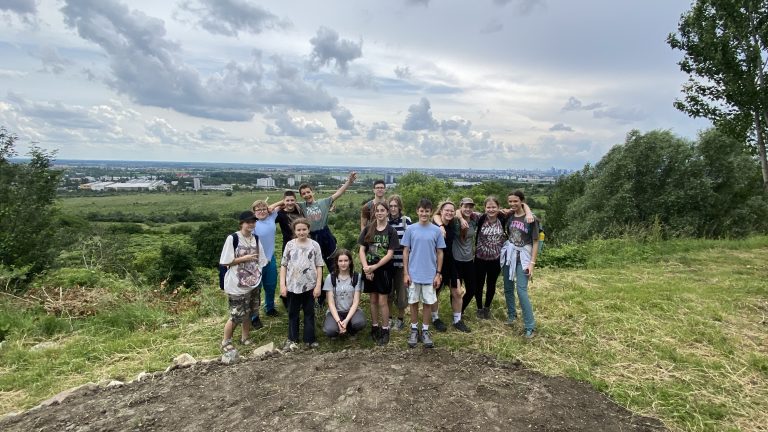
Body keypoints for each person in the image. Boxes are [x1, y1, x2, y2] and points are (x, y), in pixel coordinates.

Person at [219, 211, 268, 353]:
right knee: (236, 315)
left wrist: (258, 271)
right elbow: (225, 261)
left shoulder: (256, 238)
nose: (251, 224)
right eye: (248, 222)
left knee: (249, 312)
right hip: (236, 284)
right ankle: (226, 341)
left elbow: (262, 259)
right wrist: (244, 259)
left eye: (253, 222)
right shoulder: (233, 238)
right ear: (241, 223)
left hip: (253, 283)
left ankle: (245, 337)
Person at [402, 198, 445, 348]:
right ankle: (414, 329)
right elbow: (406, 251)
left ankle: (425, 330)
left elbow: (440, 252)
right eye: (421, 211)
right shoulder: (410, 229)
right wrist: (406, 273)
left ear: (431, 212)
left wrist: (438, 273)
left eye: (427, 211)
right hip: (413, 273)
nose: (424, 214)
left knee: (428, 303)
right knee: (413, 302)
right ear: (417, 211)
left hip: (430, 274)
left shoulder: (436, 230)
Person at [297, 171, 357, 275]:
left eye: (308, 192)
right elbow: (287, 202)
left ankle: (337, 282)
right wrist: (271, 208)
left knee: (333, 264)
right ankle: (318, 285)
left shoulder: (323, 202)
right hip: (312, 236)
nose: (306, 195)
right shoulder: (301, 206)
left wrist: (349, 181)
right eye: (303, 193)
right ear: (301, 196)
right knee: (313, 266)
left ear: (312, 192)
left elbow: (338, 193)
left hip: (325, 235)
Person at [280, 218, 325, 350]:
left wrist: (318, 286)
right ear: (294, 231)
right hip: (292, 286)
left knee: (309, 313)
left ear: (308, 230)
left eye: (304, 229)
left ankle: (310, 340)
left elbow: (319, 265)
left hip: (310, 285)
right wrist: (283, 285)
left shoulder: (314, 245)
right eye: (298, 230)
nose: (301, 232)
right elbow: (283, 265)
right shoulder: (289, 245)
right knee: (292, 313)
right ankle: (292, 339)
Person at [358, 201, 400, 345]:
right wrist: (366, 267)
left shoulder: (391, 231)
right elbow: (362, 250)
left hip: (384, 270)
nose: (380, 213)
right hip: (369, 269)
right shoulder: (368, 228)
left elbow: (390, 254)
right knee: (373, 300)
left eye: (382, 210)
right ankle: (375, 327)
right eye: (377, 210)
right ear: (374, 213)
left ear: (387, 212)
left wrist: (374, 267)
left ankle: (385, 329)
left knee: (383, 301)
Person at [501, 191, 539, 338]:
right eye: (510, 201)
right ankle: (512, 315)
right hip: (510, 254)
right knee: (508, 287)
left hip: (524, 256)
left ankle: (530, 325)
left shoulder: (531, 219)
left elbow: (536, 241)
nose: (512, 204)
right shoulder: (509, 216)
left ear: (522, 201)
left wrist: (532, 264)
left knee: (521, 290)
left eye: (515, 201)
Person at [431, 200, 471, 333]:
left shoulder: (453, 223)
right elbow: (435, 216)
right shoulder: (434, 226)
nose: (449, 212)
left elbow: (459, 212)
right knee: (434, 292)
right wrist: (441, 225)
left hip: (450, 262)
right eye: (446, 210)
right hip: (436, 263)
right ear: (441, 211)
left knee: (457, 292)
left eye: (451, 211)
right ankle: (435, 319)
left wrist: (460, 218)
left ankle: (457, 320)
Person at [252, 198, 284, 319]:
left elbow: (284, 202)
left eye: (263, 209)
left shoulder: (271, 217)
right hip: (255, 261)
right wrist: (267, 208)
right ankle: (254, 316)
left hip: (270, 258)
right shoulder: (252, 223)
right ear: (254, 212)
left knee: (270, 285)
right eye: (258, 210)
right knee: (256, 289)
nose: (261, 211)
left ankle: (269, 308)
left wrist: (271, 207)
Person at [322, 249, 366, 338]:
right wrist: (338, 321)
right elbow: (330, 303)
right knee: (330, 331)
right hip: (336, 312)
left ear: (350, 261)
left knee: (359, 323)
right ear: (336, 262)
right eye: (340, 261)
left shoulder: (356, 277)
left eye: (346, 260)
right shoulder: (330, 278)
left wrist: (346, 320)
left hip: (351, 311)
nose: (343, 263)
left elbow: (356, 302)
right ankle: (338, 327)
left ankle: (350, 328)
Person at [386, 194, 412, 331]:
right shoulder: (384, 221)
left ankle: (400, 319)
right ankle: (389, 318)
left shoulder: (406, 221)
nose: (393, 208)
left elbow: (411, 242)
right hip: (387, 264)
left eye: (395, 206)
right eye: (390, 206)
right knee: (388, 293)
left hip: (402, 264)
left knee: (402, 294)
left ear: (400, 207)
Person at [455, 198, 478, 314]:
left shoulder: (474, 220)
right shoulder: (454, 220)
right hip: (456, 260)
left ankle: (460, 309)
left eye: (470, 207)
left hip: (469, 260)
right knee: (456, 290)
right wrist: (460, 218)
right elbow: (437, 215)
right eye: (465, 206)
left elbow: (491, 212)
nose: (468, 209)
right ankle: (456, 313)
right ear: (460, 207)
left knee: (472, 289)